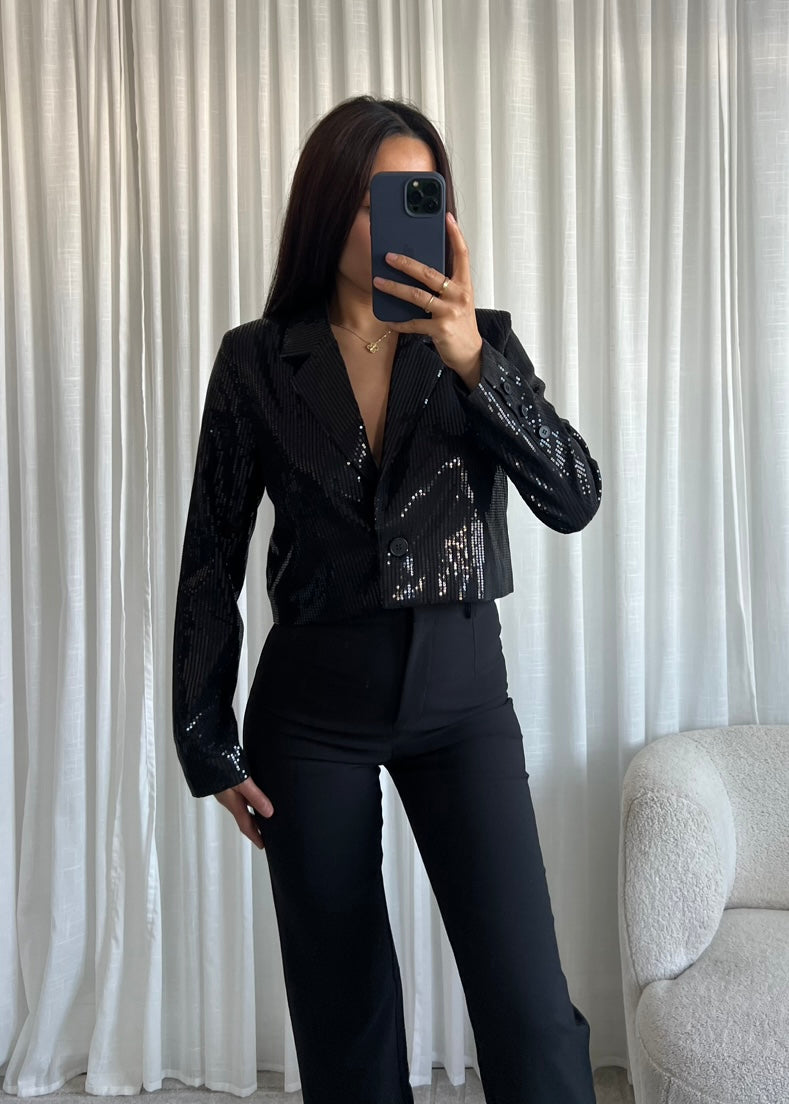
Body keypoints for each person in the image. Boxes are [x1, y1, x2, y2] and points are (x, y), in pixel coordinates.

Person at [172, 94, 601, 1104]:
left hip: (462, 699)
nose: (401, 217)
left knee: (530, 1012)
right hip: (311, 712)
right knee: (345, 1019)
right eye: (376, 198)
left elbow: (573, 497)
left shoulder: (478, 346)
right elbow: (211, 555)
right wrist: (206, 736)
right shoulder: (256, 360)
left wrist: (473, 363)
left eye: (419, 193)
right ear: (329, 210)